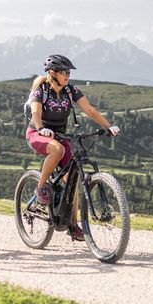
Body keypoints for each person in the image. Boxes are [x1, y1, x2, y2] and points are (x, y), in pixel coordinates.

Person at [26, 54, 119, 240]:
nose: (67, 75)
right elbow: (35, 112)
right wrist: (41, 128)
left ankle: (73, 224)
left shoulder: (70, 90)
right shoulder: (41, 90)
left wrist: (108, 127)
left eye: (68, 72)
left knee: (73, 182)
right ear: (52, 73)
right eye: (63, 72)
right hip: (37, 134)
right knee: (57, 150)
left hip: (60, 136)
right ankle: (41, 186)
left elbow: (90, 110)